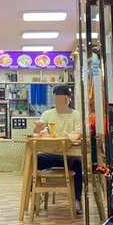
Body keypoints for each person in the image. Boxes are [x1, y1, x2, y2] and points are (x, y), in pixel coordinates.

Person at [33, 84, 83, 215]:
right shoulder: (47, 114)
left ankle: (76, 199)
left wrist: (67, 137)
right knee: (34, 160)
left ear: (69, 98)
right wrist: (38, 128)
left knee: (78, 163)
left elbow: (78, 133)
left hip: (70, 155)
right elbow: (37, 131)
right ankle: (35, 197)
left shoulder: (76, 115)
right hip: (51, 154)